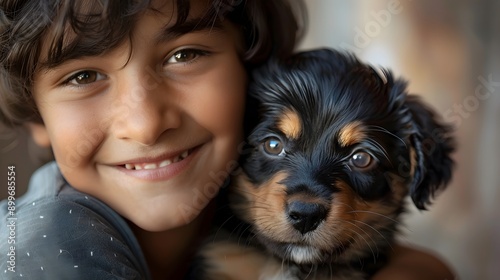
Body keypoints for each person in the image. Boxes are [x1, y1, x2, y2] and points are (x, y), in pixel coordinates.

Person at [0, 0, 455, 279]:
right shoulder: (43, 248)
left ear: (249, 69)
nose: (145, 124)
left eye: (185, 54)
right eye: (83, 76)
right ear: (34, 115)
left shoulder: (215, 201)